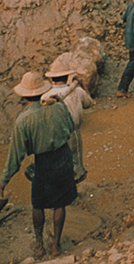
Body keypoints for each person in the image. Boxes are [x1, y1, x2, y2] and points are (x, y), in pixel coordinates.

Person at [0, 71, 77, 258]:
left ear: (24, 96)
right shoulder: (59, 107)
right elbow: (70, 129)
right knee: (59, 203)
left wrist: (2, 181)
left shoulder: (23, 120)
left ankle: (39, 245)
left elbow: (16, 156)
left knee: (38, 204)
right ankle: (56, 246)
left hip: (43, 162)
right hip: (63, 156)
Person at [42, 54, 94, 183]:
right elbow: (89, 103)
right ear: (67, 77)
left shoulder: (45, 96)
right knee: (75, 165)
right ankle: (72, 190)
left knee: (56, 164)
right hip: (73, 132)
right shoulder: (76, 91)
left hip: (52, 135)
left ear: (52, 79)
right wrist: (83, 87)